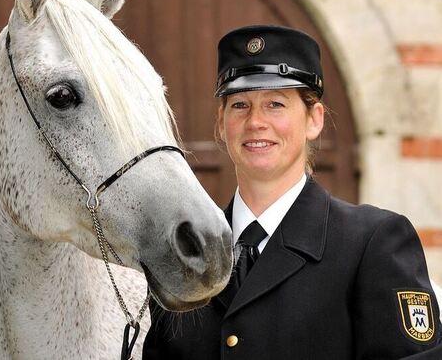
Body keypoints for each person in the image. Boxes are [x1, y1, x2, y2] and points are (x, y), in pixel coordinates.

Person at [142, 25, 441, 359]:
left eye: (275, 104)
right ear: (220, 123)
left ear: (314, 119)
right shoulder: (186, 252)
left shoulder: (371, 244)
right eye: (240, 105)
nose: (255, 122)